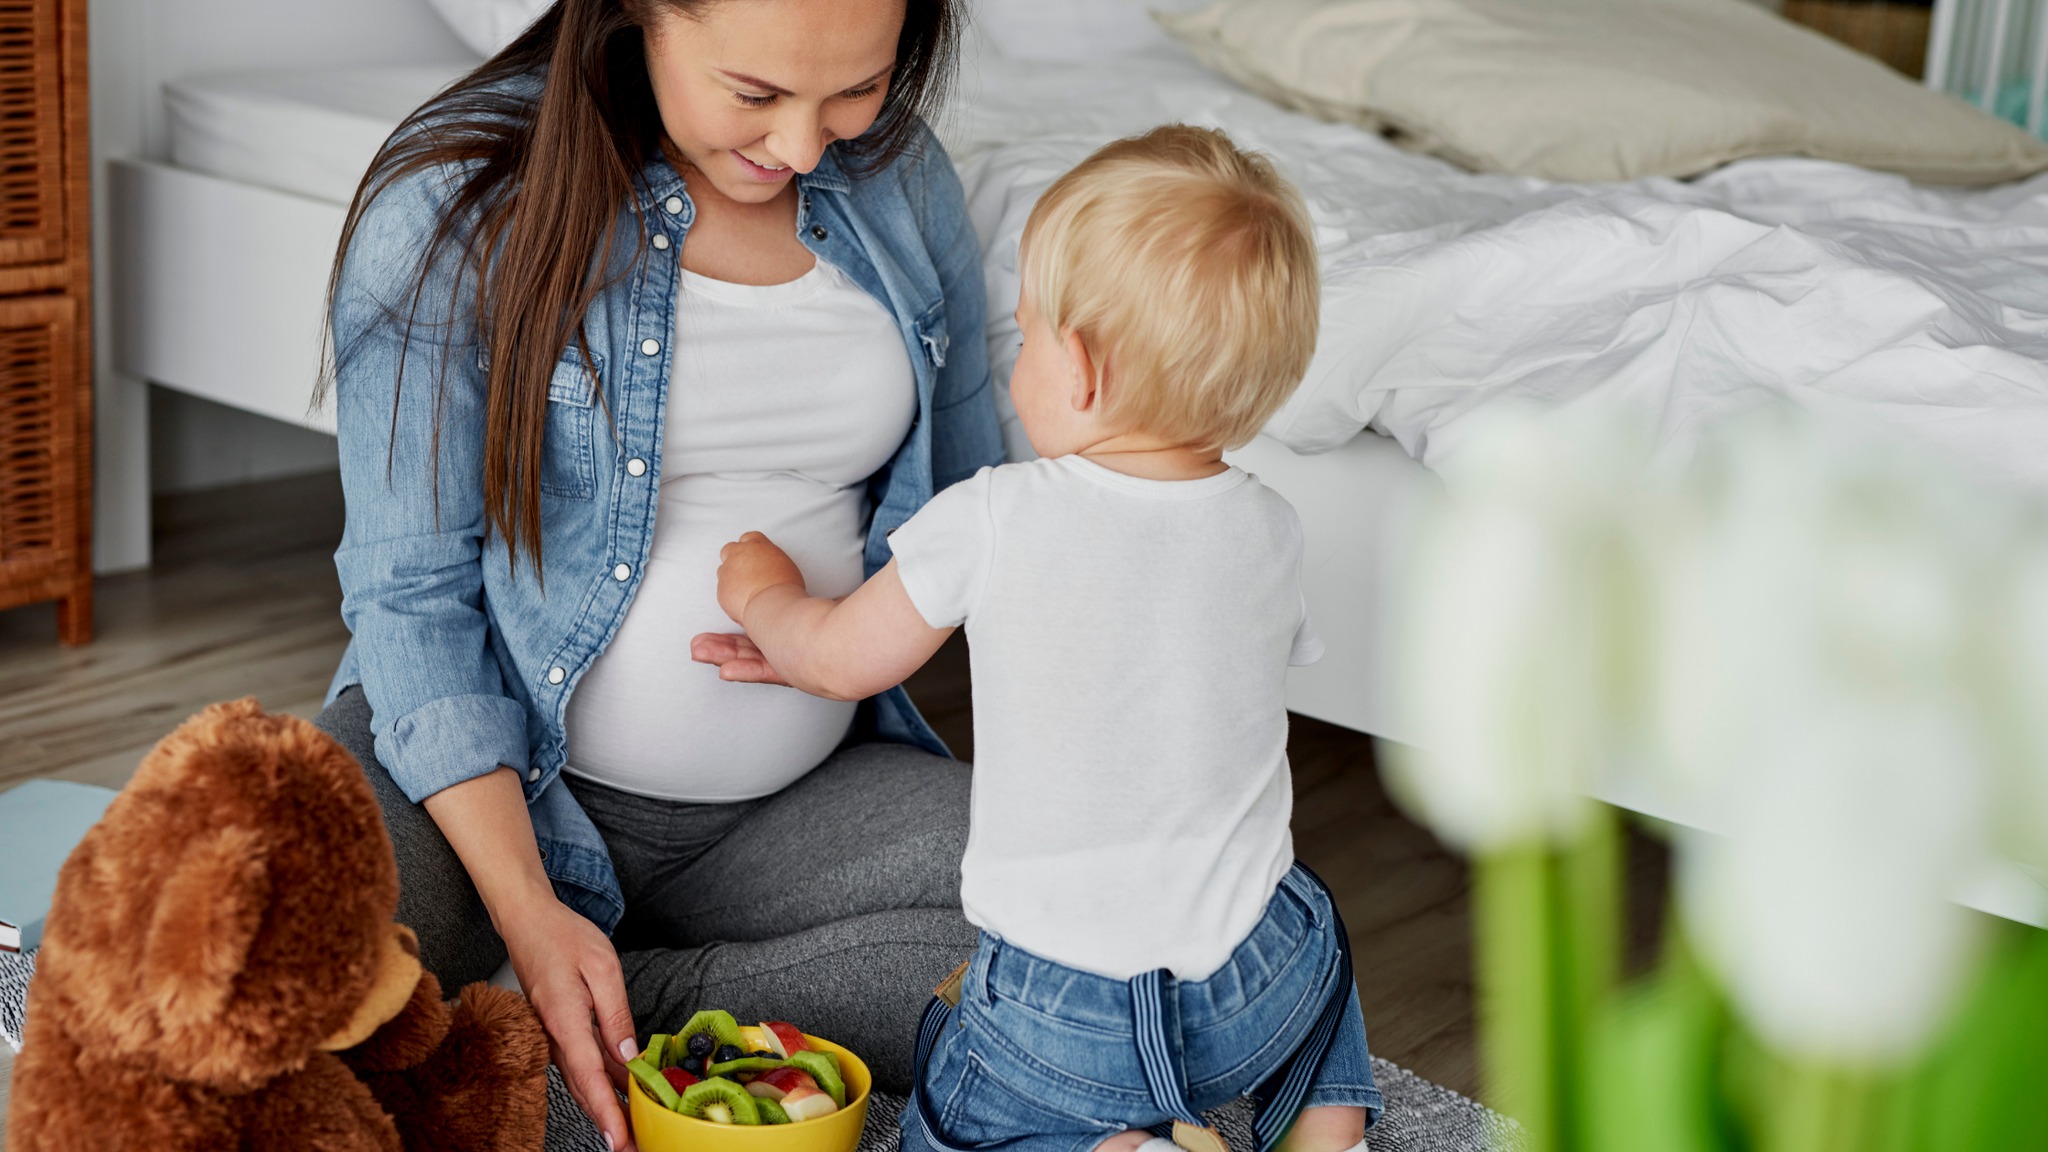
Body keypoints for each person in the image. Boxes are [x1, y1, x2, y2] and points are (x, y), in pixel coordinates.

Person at [313, 0, 1003, 1147]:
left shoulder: (899, 179)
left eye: (854, 90)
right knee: (275, 965)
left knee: (1092, 942)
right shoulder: (458, 190)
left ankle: (647, 996)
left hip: (789, 810)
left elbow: (968, 499)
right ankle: (539, 955)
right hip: (482, 800)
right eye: (754, 94)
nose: (800, 146)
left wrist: (850, 632)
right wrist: (528, 908)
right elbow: (409, 594)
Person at [694, 125, 1382, 1152]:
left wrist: (765, 600)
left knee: (952, 1126)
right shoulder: (1269, 527)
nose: (1010, 362)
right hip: (1251, 988)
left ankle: (1113, 1145)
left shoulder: (998, 513)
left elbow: (838, 658)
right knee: (1308, 928)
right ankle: (1324, 1129)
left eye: (1023, 336)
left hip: (1070, 1014)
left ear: (1086, 374)